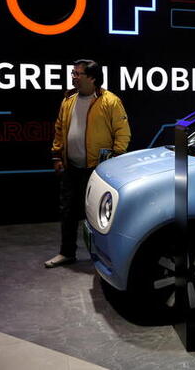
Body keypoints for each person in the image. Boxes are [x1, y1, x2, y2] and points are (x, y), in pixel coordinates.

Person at [45, 59, 131, 268]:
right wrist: (57, 156)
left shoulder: (110, 101)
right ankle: (67, 253)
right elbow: (59, 130)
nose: (73, 77)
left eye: (77, 74)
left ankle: (101, 258)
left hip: (98, 170)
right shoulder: (68, 100)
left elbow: (122, 133)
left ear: (92, 78)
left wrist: (115, 159)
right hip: (71, 167)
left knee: (96, 216)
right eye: (73, 73)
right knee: (67, 212)